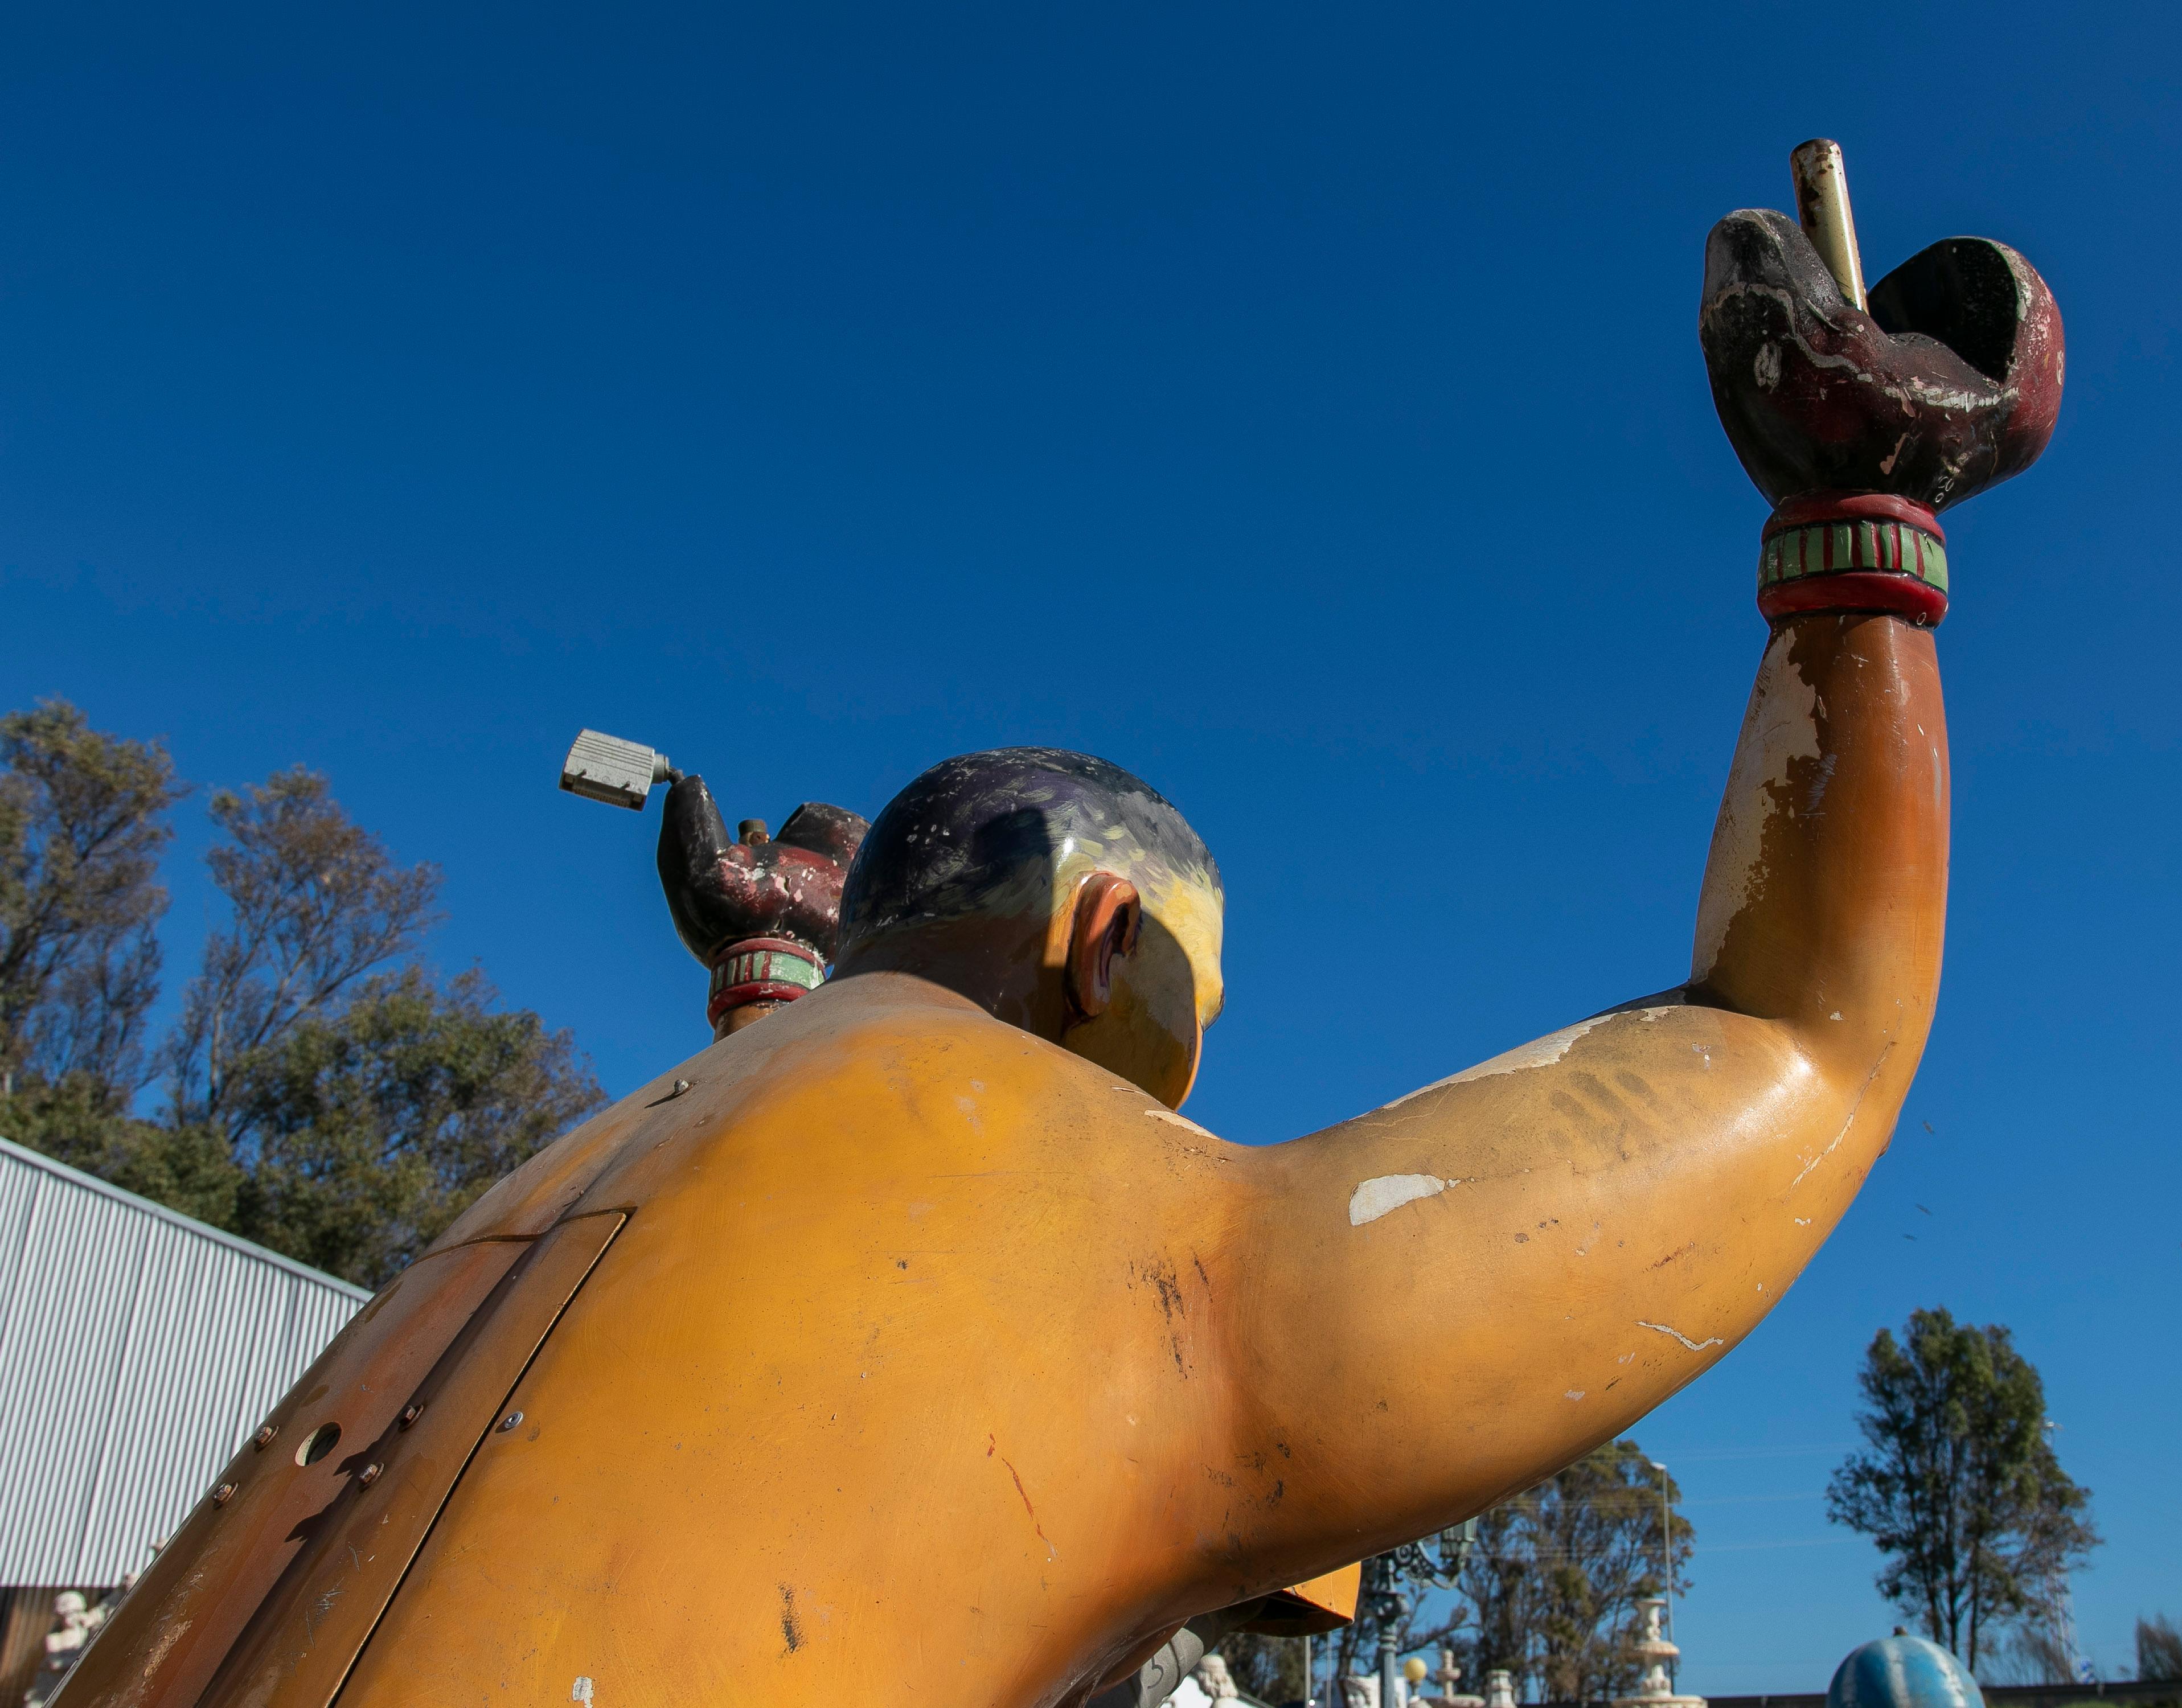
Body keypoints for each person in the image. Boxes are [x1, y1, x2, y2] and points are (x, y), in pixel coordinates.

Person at [64, 190, 2063, 1706]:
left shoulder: (612, 1158)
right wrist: (1863, 522)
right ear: (1107, 951)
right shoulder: (1103, 1238)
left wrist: (769, 971)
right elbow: (1803, 1040)